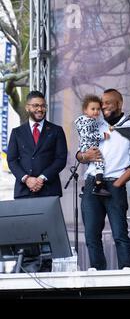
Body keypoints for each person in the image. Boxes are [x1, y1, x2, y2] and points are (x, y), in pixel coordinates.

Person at [77, 88, 130, 270]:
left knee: (120, 233)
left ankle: (127, 271)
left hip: (115, 184)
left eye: (108, 102)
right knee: (91, 234)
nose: (103, 106)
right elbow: (79, 154)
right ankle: (97, 271)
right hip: (92, 182)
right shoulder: (94, 125)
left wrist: (117, 183)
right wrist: (85, 156)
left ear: (120, 104)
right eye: (102, 102)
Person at [7, 90, 68, 272]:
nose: (40, 109)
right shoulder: (17, 132)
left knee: (47, 236)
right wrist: (27, 179)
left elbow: (61, 159)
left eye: (42, 105)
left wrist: (41, 178)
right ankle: (25, 273)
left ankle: (47, 273)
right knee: (26, 235)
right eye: (36, 105)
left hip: (48, 190)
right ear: (28, 107)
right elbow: (12, 160)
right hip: (25, 191)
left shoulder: (56, 130)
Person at [74, 94, 110, 197]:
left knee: (94, 164)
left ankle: (88, 187)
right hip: (88, 146)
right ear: (85, 110)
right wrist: (103, 135)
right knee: (99, 162)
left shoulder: (84, 121)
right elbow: (89, 135)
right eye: (93, 109)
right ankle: (98, 186)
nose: (96, 112)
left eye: (98, 109)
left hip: (85, 146)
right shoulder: (89, 122)